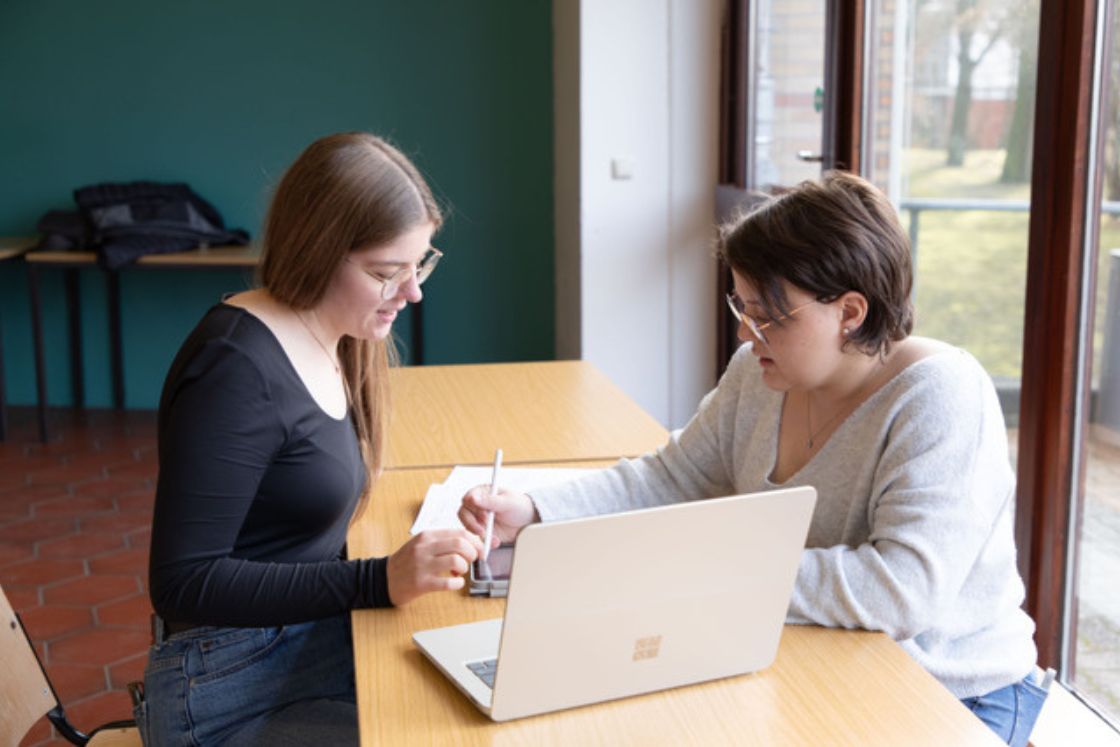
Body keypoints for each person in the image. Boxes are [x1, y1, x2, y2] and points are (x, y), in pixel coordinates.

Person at [460, 171, 1047, 746]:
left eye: (766, 315)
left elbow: (900, 591)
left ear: (850, 312)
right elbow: (673, 477)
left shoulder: (939, 395)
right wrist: (535, 511)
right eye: (740, 307)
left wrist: (706, 564)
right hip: (812, 657)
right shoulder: (760, 371)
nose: (745, 333)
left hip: (955, 692)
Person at [141, 132, 484, 746]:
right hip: (224, 692)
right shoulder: (235, 369)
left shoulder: (339, 337)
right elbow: (183, 582)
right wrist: (377, 581)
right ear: (319, 251)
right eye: (387, 272)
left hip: (304, 643)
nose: (413, 292)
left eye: (420, 264)